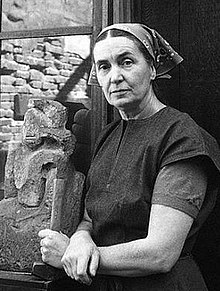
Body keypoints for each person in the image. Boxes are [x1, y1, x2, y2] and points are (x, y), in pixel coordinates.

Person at [38, 23, 220, 290]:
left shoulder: (181, 137)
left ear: (153, 68)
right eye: (104, 66)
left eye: (126, 62)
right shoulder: (107, 136)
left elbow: (161, 253)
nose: (115, 76)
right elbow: (91, 219)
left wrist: (73, 255)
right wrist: (80, 240)